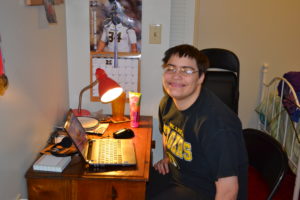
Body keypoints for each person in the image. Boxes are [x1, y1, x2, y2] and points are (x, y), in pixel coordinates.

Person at [147, 44, 248, 200]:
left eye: (186, 70)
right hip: (178, 176)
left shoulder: (217, 124)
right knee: (131, 186)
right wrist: (169, 157)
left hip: (206, 191)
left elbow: (229, 190)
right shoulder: (167, 103)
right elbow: (167, 135)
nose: (176, 76)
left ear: (201, 77)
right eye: (171, 68)